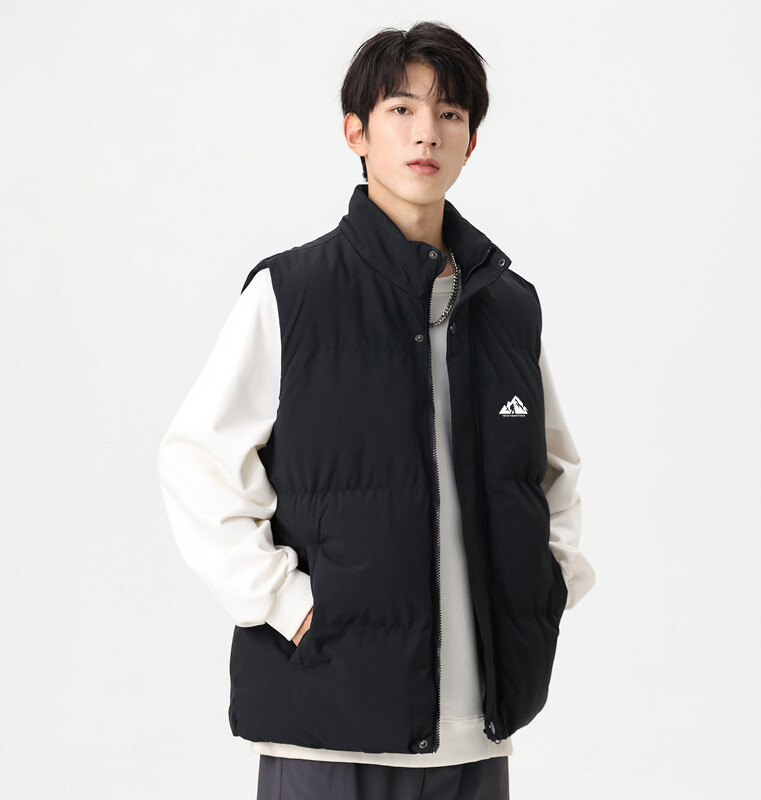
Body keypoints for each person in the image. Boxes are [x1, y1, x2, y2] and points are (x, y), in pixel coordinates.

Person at [158, 20, 595, 800]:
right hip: (327, 731)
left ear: (471, 142)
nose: (427, 132)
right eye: (402, 109)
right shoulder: (292, 294)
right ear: (355, 132)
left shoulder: (508, 307)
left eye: (450, 114)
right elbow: (197, 461)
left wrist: (547, 585)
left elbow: (552, 471)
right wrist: (287, 605)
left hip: (476, 732)